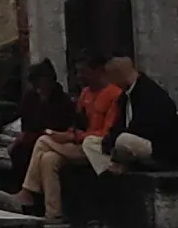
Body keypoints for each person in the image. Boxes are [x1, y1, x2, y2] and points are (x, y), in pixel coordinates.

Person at [18, 55, 154, 218]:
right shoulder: (85, 94)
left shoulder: (114, 95)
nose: (80, 76)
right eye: (78, 72)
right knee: (48, 159)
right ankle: (54, 214)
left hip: (97, 146)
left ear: (98, 71)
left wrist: (73, 137)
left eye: (84, 71)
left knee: (43, 140)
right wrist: (69, 134)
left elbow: (108, 133)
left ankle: (27, 191)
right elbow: (78, 123)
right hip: (80, 144)